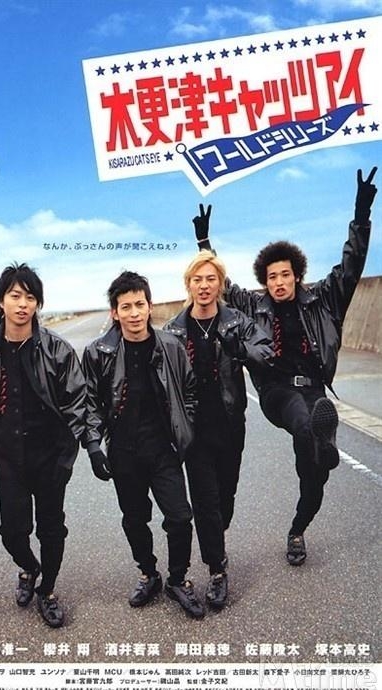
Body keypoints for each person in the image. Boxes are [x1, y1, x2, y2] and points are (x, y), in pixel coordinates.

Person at [193, 167, 377, 565]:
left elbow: (350, 268)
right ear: (265, 279)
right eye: (271, 276)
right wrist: (204, 243)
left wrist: (361, 216)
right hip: (276, 391)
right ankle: (320, 437)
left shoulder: (324, 300)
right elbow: (221, 285)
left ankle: (298, 528)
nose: (279, 282)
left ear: (297, 276)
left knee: (313, 476)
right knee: (302, 418)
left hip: (313, 390)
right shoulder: (253, 306)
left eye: (285, 275)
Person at [82, 271, 204, 618]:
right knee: (134, 519)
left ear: (150, 306)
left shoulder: (171, 346)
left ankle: (178, 579)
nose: (134, 313)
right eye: (126, 306)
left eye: (140, 304)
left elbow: (190, 390)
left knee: (180, 517)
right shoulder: (98, 352)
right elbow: (89, 402)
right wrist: (94, 445)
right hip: (123, 452)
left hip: (164, 449)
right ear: (114, 312)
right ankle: (148, 573)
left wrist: (185, 430)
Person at [0, 263, 86, 628]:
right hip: (9, 459)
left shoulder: (56, 349)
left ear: (38, 303)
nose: (22, 304)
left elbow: (77, 402)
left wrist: (77, 450)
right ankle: (28, 567)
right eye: (15, 296)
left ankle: (47, 590)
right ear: (1, 302)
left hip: (50, 456)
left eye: (30, 297)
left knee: (51, 529)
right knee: (12, 532)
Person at [164, 250, 274, 608]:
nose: (204, 285)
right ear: (188, 284)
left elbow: (266, 352)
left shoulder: (236, 321)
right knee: (205, 501)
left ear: (220, 283)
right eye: (197, 279)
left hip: (229, 423)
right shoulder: (174, 330)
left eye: (210, 279)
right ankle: (217, 569)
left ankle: (216, 534)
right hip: (193, 430)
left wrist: (238, 348)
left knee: (225, 497)